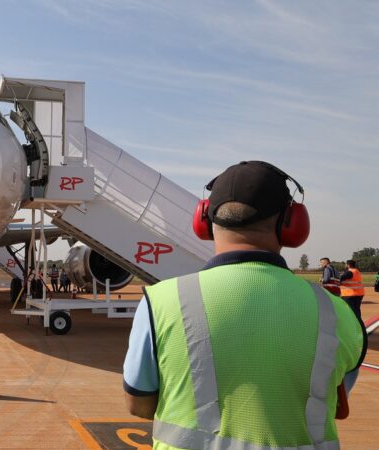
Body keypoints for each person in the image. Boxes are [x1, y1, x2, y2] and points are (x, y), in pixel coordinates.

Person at [123, 161, 366, 449]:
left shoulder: (160, 302)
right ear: (292, 223)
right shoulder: (336, 313)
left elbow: (138, 405)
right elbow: (335, 403)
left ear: (203, 220)